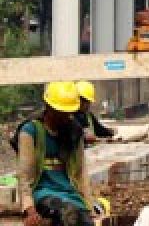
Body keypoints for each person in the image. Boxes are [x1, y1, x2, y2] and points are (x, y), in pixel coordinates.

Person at [15, 82, 100, 226]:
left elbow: (81, 174)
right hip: (43, 192)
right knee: (66, 214)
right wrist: (29, 210)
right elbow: (25, 176)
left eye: (69, 113)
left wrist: (90, 206)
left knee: (84, 221)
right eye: (62, 113)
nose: (67, 117)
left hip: (69, 192)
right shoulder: (30, 132)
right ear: (49, 108)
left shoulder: (74, 132)